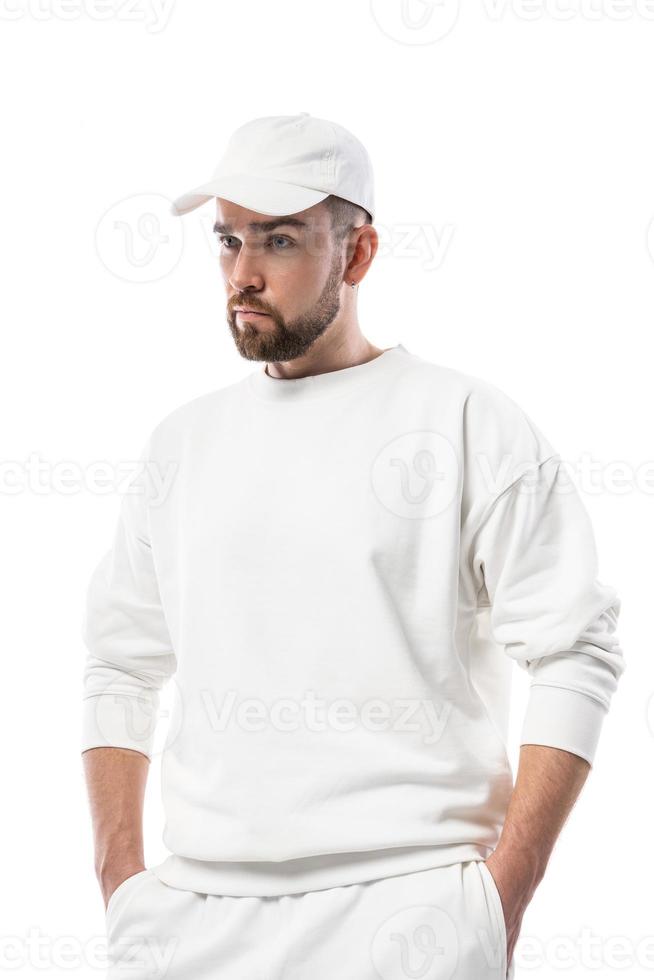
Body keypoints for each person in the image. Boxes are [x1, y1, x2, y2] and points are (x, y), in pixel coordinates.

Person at [81, 113, 625, 980]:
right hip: (192, 925)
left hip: (408, 915)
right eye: (228, 240)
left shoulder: (464, 422)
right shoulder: (182, 444)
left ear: (358, 254)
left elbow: (576, 649)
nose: (244, 274)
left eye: (281, 240)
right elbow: (120, 663)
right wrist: (122, 884)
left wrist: (503, 892)